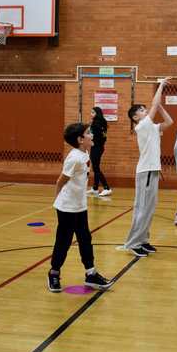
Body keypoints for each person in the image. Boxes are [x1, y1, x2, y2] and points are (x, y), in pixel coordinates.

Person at [47, 122, 114, 293]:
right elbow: (60, 181)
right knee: (64, 241)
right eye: (88, 133)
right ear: (79, 139)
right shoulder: (74, 158)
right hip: (67, 208)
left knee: (85, 239)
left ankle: (90, 274)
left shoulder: (84, 153)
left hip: (79, 205)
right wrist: (57, 199)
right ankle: (54, 273)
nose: (91, 135)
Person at [123, 77, 173, 257]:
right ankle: (134, 243)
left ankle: (143, 240)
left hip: (153, 171)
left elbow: (169, 122)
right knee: (142, 207)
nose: (146, 111)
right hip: (145, 172)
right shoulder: (142, 126)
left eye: (145, 109)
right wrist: (161, 85)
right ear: (136, 117)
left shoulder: (152, 127)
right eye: (142, 110)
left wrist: (160, 107)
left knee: (150, 207)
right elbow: (154, 103)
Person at [88, 106, 112, 197]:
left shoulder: (96, 123)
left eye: (93, 112)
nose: (91, 114)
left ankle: (107, 188)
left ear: (97, 113)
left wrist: (90, 126)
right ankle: (95, 188)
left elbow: (91, 135)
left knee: (96, 168)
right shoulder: (102, 122)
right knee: (95, 167)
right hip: (99, 147)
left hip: (97, 147)